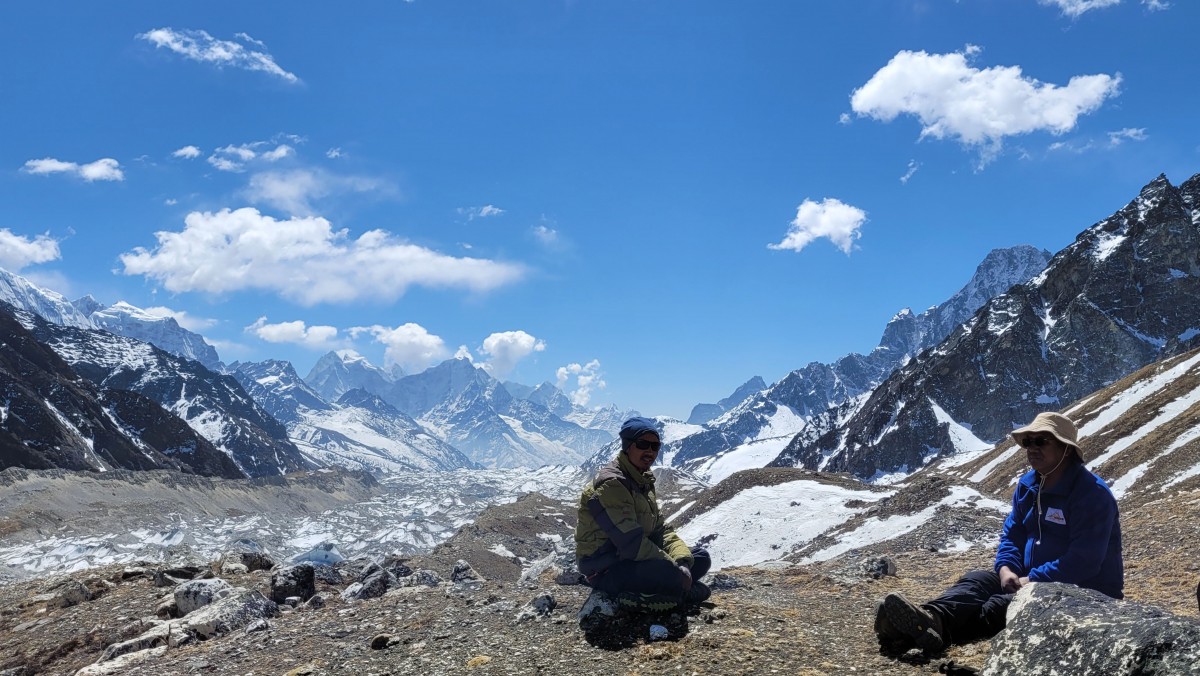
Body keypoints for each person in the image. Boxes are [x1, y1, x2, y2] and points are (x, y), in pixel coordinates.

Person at [875, 411, 1124, 653]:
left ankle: (919, 633)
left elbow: (1084, 562)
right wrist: (1006, 569)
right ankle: (930, 616)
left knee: (996, 607)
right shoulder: (1028, 485)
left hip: (1084, 592)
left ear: (1067, 449)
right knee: (976, 581)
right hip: (1029, 578)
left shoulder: (1091, 495)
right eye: (1028, 442)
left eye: (1041, 441)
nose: (1032, 448)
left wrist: (1031, 580)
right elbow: (1013, 533)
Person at [575, 416, 711, 611]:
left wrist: (681, 561)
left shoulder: (641, 479)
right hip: (605, 568)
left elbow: (659, 530)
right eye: (643, 444)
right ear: (627, 446)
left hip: (629, 558)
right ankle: (663, 595)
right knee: (669, 571)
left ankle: (669, 588)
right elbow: (631, 544)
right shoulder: (612, 484)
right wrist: (674, 567)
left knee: (699, 557)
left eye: (655, 446)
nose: (650, 451)